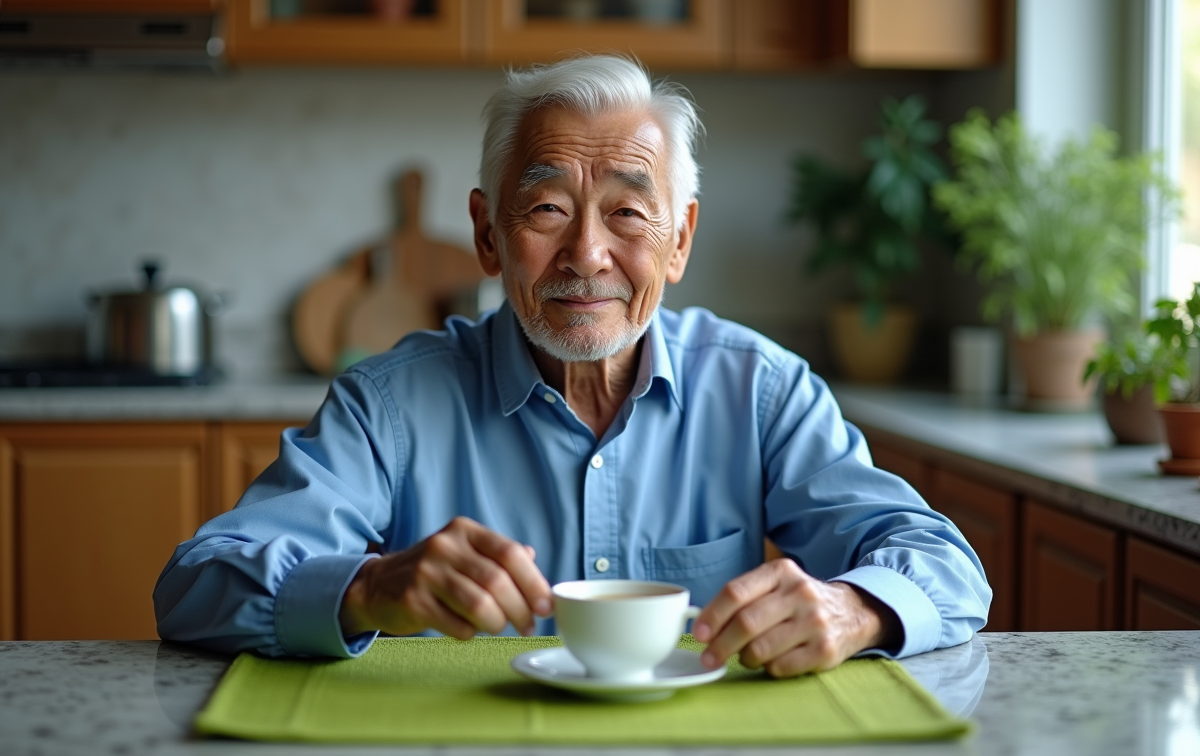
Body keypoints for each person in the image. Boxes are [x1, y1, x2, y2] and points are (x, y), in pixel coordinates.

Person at [154, 55, 989, 677]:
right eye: (547, 209)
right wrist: (370, 587)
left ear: (681, 240)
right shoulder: (391, 404)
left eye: (628, 212)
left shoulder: (760, 390)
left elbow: (943, 564)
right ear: (488, 235)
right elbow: (195, 586)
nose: (586, 254)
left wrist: (856, 606)